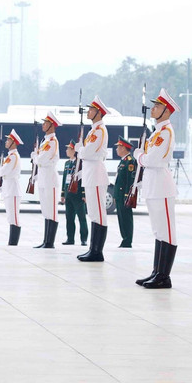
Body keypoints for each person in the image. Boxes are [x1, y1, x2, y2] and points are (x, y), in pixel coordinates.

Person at [134, 89, 179, 289]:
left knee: (167, 231)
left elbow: (152, 160)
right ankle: (156, 272)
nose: (153, 109)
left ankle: (164, 276)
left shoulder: (165, 132)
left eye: (158, 106)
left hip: (162, 186)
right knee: (158, 231)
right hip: (153, 186)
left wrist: (138, 156)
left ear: (167, 111)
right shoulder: (157, 132)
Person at [76, 96, 110, 262]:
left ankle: (97, 251)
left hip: (96, 175)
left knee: (99, 213)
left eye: (91, 109)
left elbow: (87, 152)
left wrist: (80, 150)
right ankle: (93, 249)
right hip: (90, 175)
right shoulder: (93, 130)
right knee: (93, 213)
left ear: (99, 112)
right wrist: (82, 150)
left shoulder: (99, 130)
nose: (88, 111)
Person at [31, 112, 61, 248]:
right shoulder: (45, 141)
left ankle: (50, 242)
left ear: (52, 125)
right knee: (45, 209)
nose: (43, 125)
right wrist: (38, 158)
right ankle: (45, 241)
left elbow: (41, 159)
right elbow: (40, 159)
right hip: (43, 178)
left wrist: (36, 158)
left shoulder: (52, 141)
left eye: (45, 123)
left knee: (52, 210)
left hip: (50, 179)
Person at [60, 141, 89, 246]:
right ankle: (70, 238)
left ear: (74, 150)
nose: (67, 151)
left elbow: (83, 179)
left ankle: (84, 239)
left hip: (77, 194)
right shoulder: (67, 163)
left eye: (69, 149)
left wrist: (84, 194)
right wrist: (63, 194)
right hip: (68, 194)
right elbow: (64, 179)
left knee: (81, 217)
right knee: (69, 217)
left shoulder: (80, 163)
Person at [0, 130, 23, 245]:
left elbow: (4, 170)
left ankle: (13, 242)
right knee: (10, 216)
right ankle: (11, 241)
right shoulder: (10, 156)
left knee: (14, 216)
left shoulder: (13, 156)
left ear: (13, 142)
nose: (6, 142)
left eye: (8, 140)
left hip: (13, 189)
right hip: (8, 189)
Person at [113, 137, 136, 248]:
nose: (117, 149)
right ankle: (124, 239)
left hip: (125, 195)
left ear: (123, 148)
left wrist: (127, 195)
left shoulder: (130, 161)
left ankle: (128, 240)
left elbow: (130, 181)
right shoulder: (123, 160)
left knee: (126, 218)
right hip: (119, 194)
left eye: (118, 147)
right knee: (121, 218)